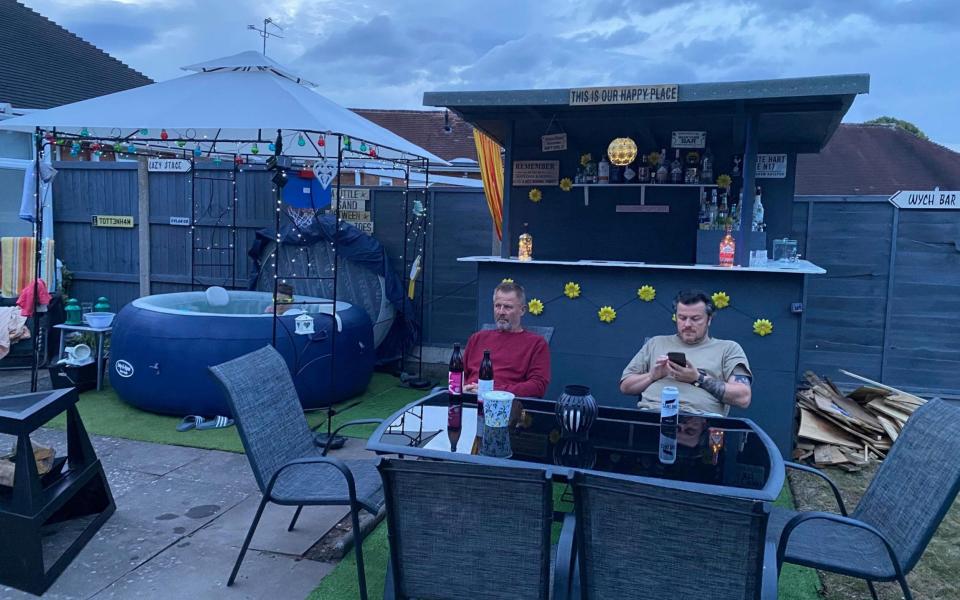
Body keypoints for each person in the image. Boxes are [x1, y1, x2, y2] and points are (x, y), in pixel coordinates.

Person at [620, 289, 752, 415]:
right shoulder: (656, 343)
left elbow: (743, 398)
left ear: (709, 319)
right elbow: (625, 387)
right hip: (652, 415)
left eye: (695, 319)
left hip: (701, 419)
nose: (687, 324)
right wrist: (652, 376)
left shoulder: (728, 348)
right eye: (682, 318)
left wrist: (697, 378)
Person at [462, 281, 551, 398]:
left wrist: (491, 391)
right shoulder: (477, 338)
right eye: (497, 306)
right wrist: (462, 388)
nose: (501, 312)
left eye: (508, 307)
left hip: (506, 407)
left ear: (523, 310)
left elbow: (537, 386)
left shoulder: (536, 344)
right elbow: (460, 375)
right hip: (468, 401)